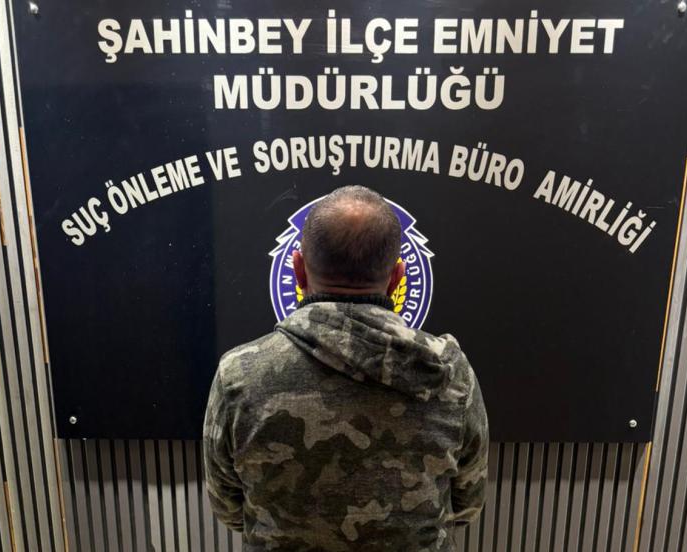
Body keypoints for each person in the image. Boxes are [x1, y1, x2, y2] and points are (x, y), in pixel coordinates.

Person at [203, 185, 488, 551]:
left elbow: (228, 507)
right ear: (397, 277)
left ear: (298, 270)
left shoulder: (239, 375)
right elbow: (466, 503)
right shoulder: (450, 374)